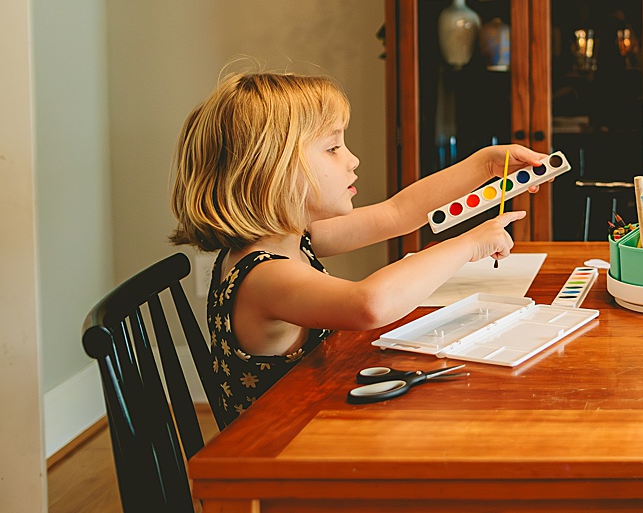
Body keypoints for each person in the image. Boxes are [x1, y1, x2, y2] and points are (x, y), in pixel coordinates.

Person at [170, 70, 541, 423]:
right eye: (332, 147)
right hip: (285, 458)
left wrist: (484, 166)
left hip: (314, 421)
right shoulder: (264, 276)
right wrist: (468, 245)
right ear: (272, 170)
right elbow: (369, 304)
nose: (352, 159)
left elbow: (398, 213)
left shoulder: (292, 238)